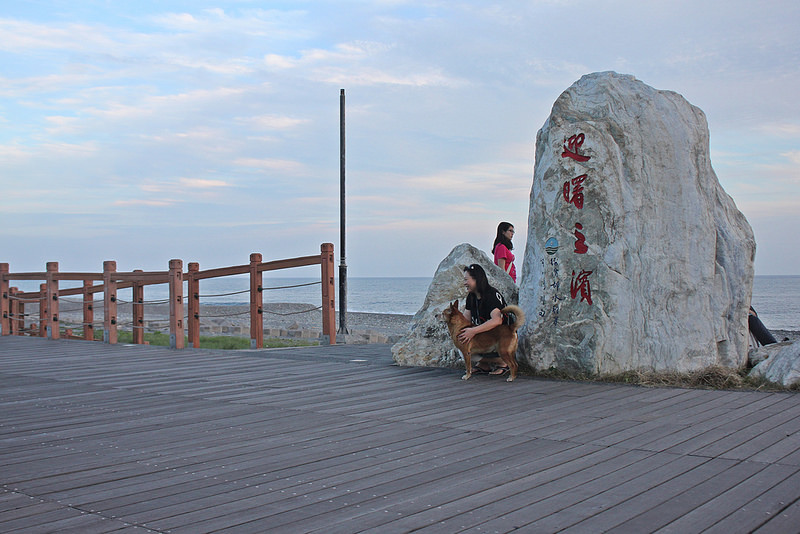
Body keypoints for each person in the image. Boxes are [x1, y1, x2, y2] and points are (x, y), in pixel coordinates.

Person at [458, 263, 512, 376]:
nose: (464, 283)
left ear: (476, 279)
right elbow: (466, 320)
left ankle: (503, 362)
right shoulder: (471, 296)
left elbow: (497, 320)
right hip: (487, 336)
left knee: (469, 350)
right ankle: (484, 365)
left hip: (503, 338)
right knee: (462, 346)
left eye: (466, 280)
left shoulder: (491, 295)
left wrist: (473, 331)